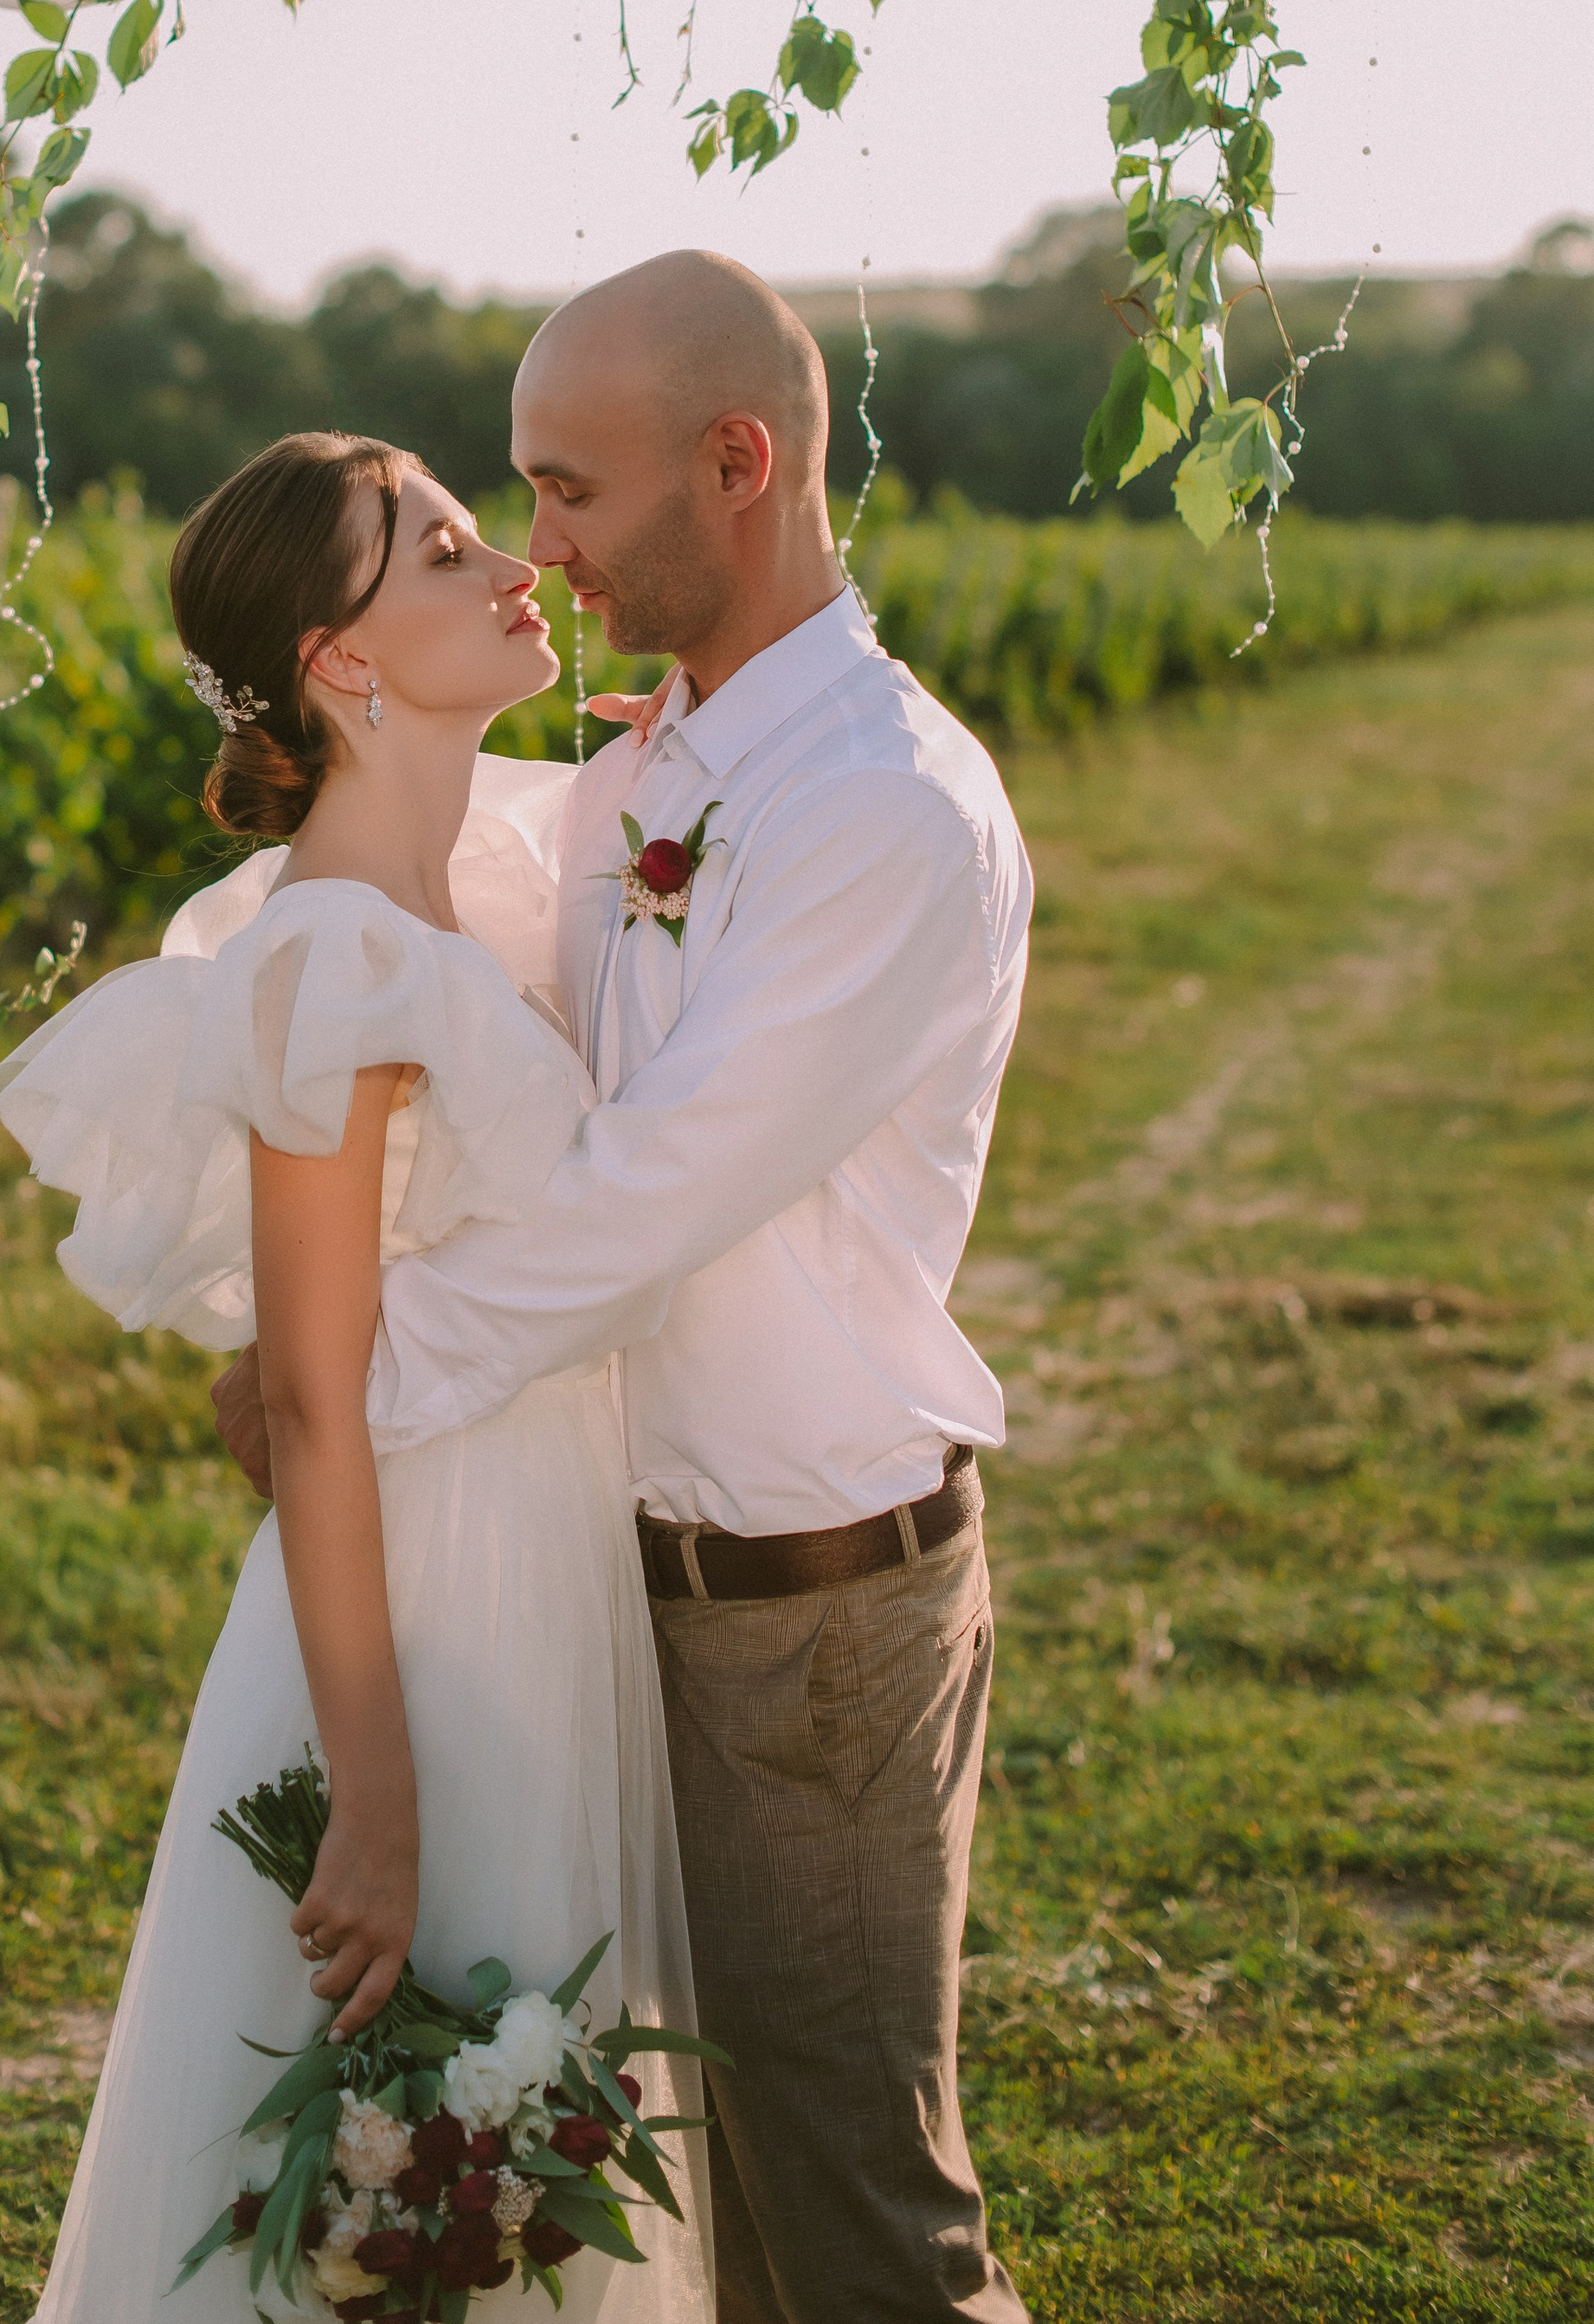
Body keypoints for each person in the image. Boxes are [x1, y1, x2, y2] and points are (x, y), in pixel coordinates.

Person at [215, 252, 1035, 2324]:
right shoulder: (647, 756)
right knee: (710, 2225)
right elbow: (415, 925)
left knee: (857, 2218)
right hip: (609, 1585)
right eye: (507, 499)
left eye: (566, 495)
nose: (539, 550)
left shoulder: (876, 807)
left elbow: (641, 1194)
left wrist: (359, 1387)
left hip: (804, 1606)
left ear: (735, 462)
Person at [0, 432, 710, 2324]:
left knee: (514, 2138)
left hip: (544, 1551)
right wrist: (370, 1795)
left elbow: (600, 831)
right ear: (342, 661)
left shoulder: (454, 879)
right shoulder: (329, 958)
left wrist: (665, 746)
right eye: (447, 550)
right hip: (423, 1586)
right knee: (404, 2141)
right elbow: (308, 1393)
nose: (513, 572)